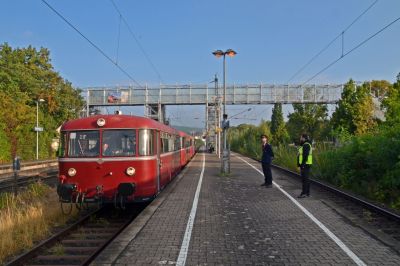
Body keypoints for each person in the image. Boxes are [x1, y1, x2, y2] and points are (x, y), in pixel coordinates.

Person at [297, 133, 312, 198]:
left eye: (301, 137)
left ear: (304, 138)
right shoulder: (304, 145)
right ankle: (307, 193)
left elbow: (305, 156)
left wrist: (302, 165)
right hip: (306, 164)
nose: (300, 139)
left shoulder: (306, 145)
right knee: (306, 179)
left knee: (304, 180)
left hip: (305, 164)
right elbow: (300, 155)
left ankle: (304, 193)